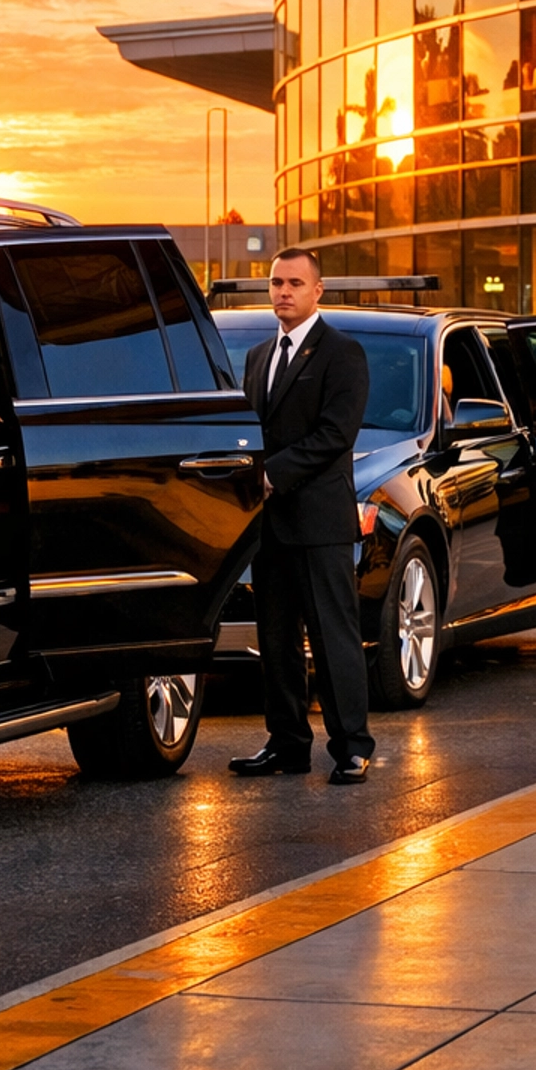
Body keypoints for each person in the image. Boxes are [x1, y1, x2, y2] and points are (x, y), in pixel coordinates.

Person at [230, 247, 374, 784]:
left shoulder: (342, 353)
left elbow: (337, 434)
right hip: (268, 525)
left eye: (294, 283)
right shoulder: (258, 356)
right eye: (276, 283)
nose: (283, 292)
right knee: (275, 642)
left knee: (333, 638)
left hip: (318, 523)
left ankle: (352, 747)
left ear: (318, 290)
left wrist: (272, 473)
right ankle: (287, 743)